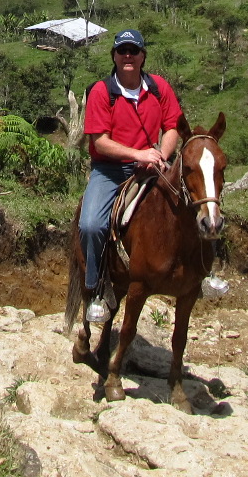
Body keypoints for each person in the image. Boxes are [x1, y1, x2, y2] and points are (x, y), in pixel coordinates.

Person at [76, 28, 182, 324]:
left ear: (142, 56)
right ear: (114, 56)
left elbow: (172, 126)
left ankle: (202, 271)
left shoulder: (159, 87)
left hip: (154, 164)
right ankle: (95, 288)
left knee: (197, 203)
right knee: (90, 224)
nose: (127, 56)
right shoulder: (102, 91)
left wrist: (160, 154)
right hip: (110, 170)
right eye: (122, 51)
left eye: (133, 51)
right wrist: (139, 155)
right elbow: (100, 142)